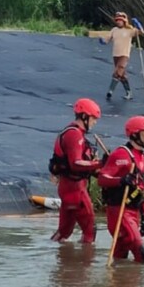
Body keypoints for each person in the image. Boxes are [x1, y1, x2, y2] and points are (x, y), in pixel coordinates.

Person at [97, 115, 144, 263]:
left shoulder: (143, 157)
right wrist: (121, 180)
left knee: (120, 257)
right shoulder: (121, 154)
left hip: (134, 212)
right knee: (142, 255)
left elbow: (142, 190)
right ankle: (141, 286)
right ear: (135, 134)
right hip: (119, 213)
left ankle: (119, 284)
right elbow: (102, 179)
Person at [49, 98, 104, 243]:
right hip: (75, 190)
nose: (95, 122)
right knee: (90, 230)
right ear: (85, 116)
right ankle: (85, 264)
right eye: (93, 118)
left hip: (68, 188)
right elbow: (75, 164)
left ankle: (62, 262)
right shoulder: (74, 135)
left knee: (64, 232)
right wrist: (100, 163)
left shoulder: (74, 133)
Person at [99, 11, 144, 101]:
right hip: (116, 55)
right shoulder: (114, 30)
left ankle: (110, 91)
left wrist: (138, 24)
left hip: (124, 55)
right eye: (117, 20)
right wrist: (103, 41)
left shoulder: (130, 30)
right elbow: (107, 39)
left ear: (124, 21)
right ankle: (129, 92)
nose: (118, 22)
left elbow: (141, 32)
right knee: (122, 75)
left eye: (120, 20)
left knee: (118, 71)